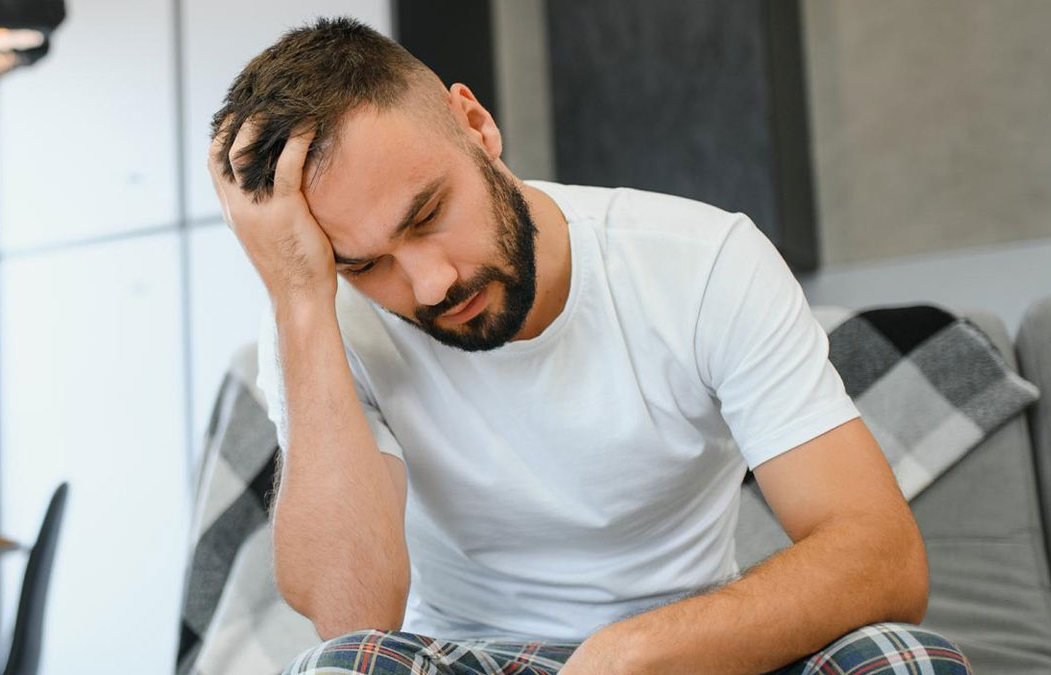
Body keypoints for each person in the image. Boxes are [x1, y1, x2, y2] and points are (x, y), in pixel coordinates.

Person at [206, 16, 969, 675]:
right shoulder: (317, 316)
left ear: (475, 125)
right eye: (364, 264)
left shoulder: (703, 262)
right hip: (478, 656)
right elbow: (353, 616)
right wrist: (300, 300)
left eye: (429, 212)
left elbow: (882, 554)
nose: (431, 283)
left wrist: (629, 654)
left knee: (905, 658)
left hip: (687, 655)